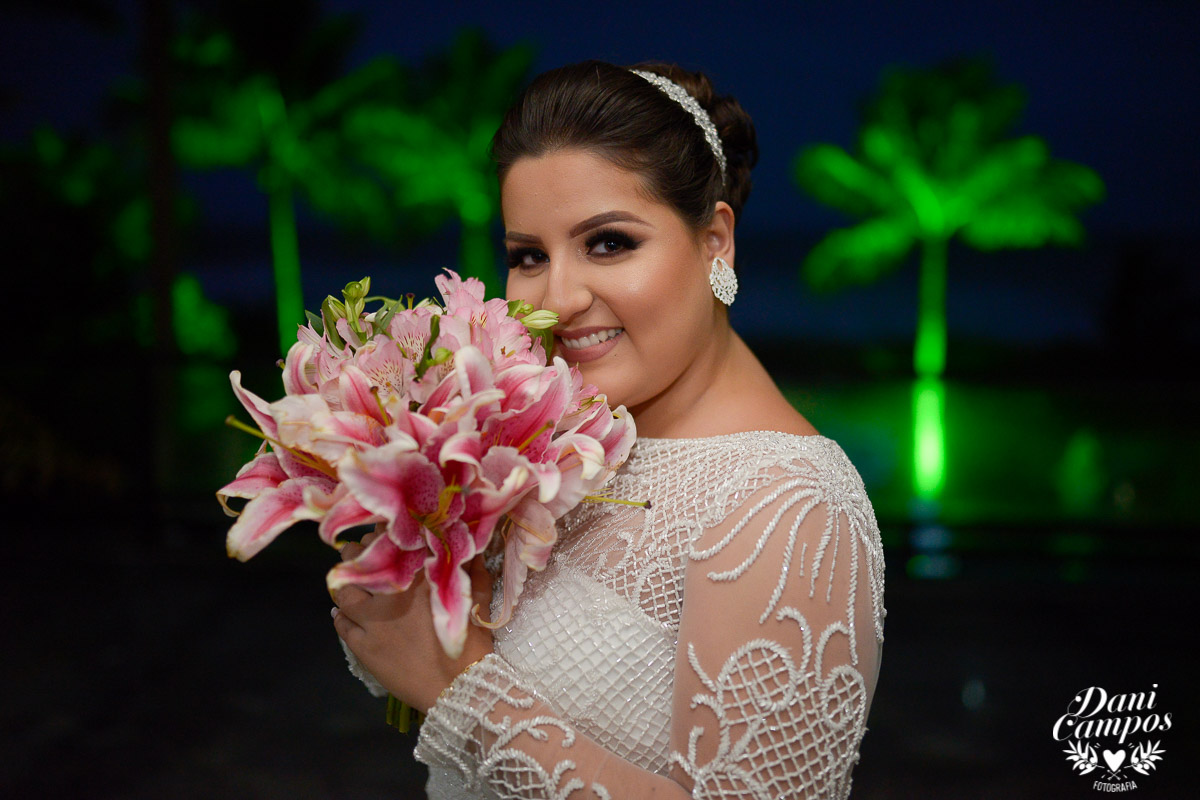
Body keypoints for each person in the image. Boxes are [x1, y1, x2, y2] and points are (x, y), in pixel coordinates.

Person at [332, 60, 886, 799]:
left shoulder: (788, 508)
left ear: (716, 240)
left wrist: (461, 691)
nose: (556, 299)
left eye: (609, 243)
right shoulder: (559, 448)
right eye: (528, 256)